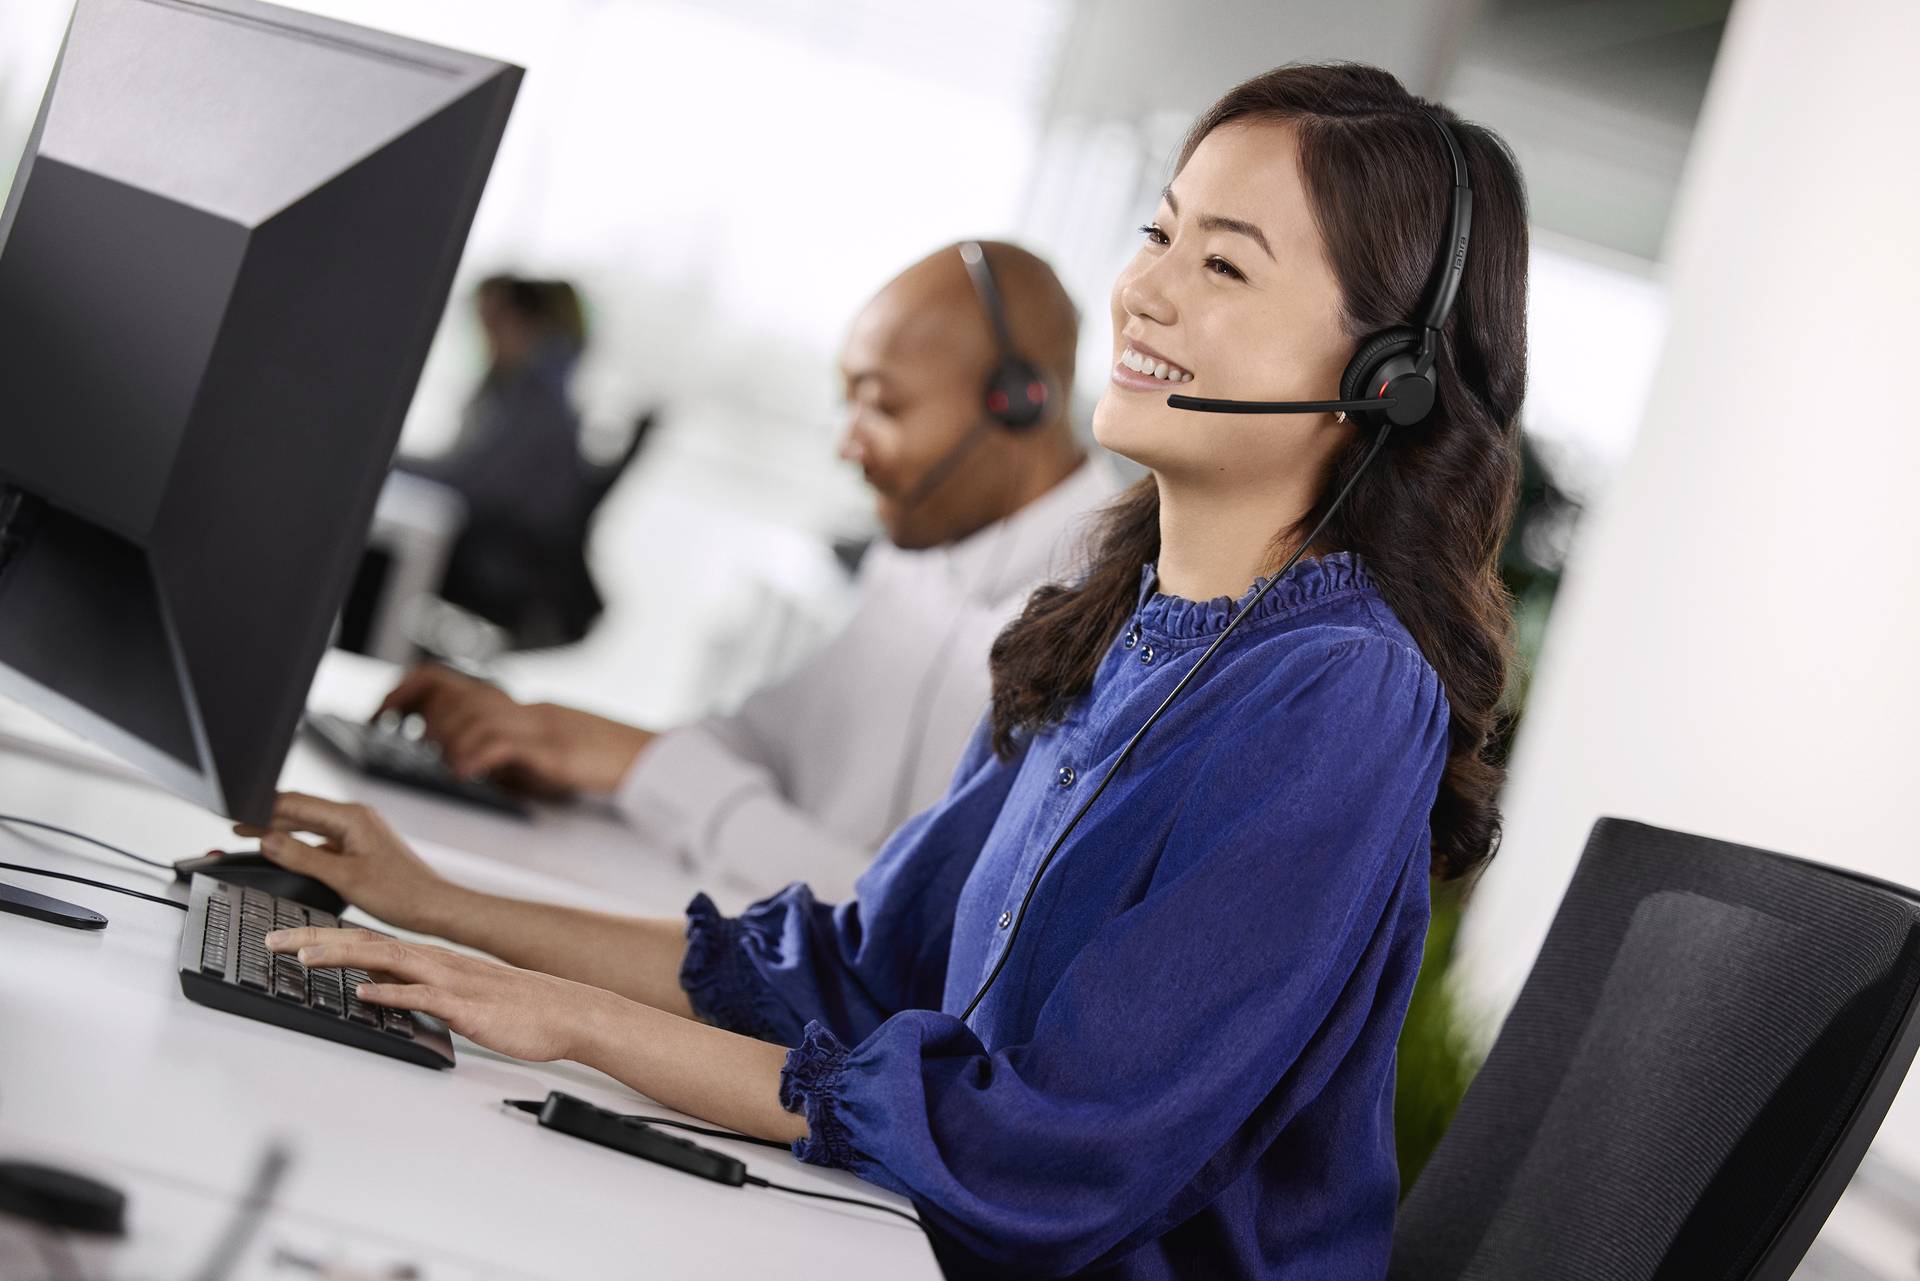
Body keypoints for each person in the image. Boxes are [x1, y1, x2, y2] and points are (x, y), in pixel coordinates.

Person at [259, 63, 1528, 1279]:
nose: (1145, 292)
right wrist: (438, 908)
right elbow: (852, 972)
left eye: (1224, 264)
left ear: (1386, 379)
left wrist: (569, 1020)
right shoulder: (1103, 623)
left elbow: (1048, 1159)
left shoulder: (1340, 696)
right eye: (1159, 232)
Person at [381, 242, 1116, 901]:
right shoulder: (922, 549)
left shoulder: (1100, 624)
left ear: (1021, 404)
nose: (848, 447)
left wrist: (646, 769)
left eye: (884, 405)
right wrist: (565, 746)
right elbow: (765, 740)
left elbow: (902, 916)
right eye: (848, 402)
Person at [397, 275, 604, 646]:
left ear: (526, 324)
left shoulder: (536, 401)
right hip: (502, 556)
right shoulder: (528, 390)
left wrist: (382, 461)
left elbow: (467, 483)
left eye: (492, 322)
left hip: (500, 568)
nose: (484, 337)